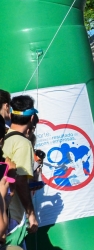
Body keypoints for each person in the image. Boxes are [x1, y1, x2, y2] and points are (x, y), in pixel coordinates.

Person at [2, 95, 39, 236]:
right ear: (31, 119)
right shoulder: (23, 143)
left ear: (11, 115)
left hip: (2, 210)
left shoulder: (3, 137)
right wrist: (31, 214)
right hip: (11, 216)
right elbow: (20, 181)